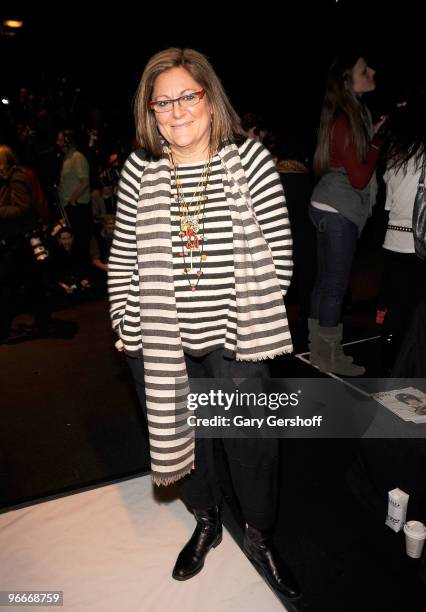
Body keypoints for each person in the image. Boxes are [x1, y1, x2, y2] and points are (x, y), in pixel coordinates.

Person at [107, 47, 300, 599]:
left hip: (238, 333)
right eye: (162, 101)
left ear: (209, 99)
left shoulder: (250, 161)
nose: (176, 110)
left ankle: (260, 536)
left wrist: (240, 308)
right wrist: (126, 322)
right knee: (184, 436)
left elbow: (281, 258)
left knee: (251, 441)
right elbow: (122, 258)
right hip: (160, 339)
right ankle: (209, 520)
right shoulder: (140, 170)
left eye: (186, 96)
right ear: (150, 112)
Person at [308, 53, 387, 376]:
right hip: (338, 210)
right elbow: (359, 176)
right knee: (334, 288)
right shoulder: (345, 119)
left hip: (327, 206)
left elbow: (353, 156)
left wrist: (372, 134)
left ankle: (318, 352)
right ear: (347, 81)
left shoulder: (353, 116)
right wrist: (378, 143)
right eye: (363, 69)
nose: (372, 71)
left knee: (324, 284)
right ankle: (329, 356)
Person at [379, 86, 426, 367]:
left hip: (392, 241)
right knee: (415, 317)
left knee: (396, 313)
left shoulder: (396, 157)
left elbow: (389, 205)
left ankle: (390, 369)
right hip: (418, 245)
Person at [0, 145, 52, 342]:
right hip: (18, 237)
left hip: (21, 237)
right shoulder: (8, 179)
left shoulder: (16, 178)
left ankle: (4, 329)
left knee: (7, 283)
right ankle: (44, 321)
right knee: (31, 282)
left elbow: (23, 209)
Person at [56, 130, 92, 257]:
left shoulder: (77, 157)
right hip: (71, 207)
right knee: (76, 243)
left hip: (78, 206)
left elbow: (85, 181)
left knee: (82, 241)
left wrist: (72, 200)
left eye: (60, 140)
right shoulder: (66, 158)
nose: (57, 143)